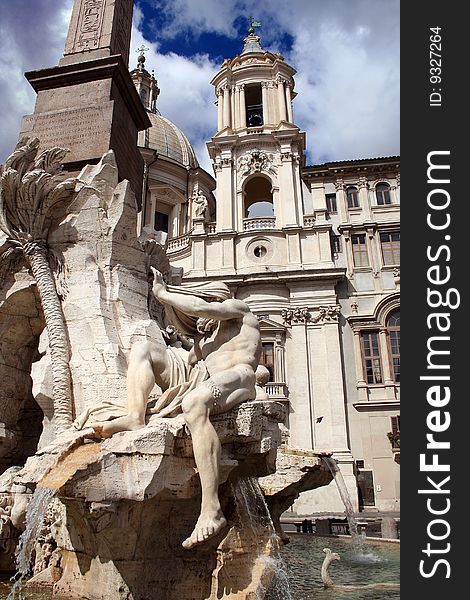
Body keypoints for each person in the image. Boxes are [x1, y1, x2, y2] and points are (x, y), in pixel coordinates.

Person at [92, 267, 261, 550]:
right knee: (144, 349)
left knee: (193, 402)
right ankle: (135, 416)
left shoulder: (238, 309)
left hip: (241, 377)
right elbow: (188, 355)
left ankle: (212, 509)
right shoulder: (203, 341)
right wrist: (174, 337)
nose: (201, 321)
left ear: (217, 300)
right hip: (206, 377)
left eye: (208, 305)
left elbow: (201, 307)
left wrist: (163, 294)